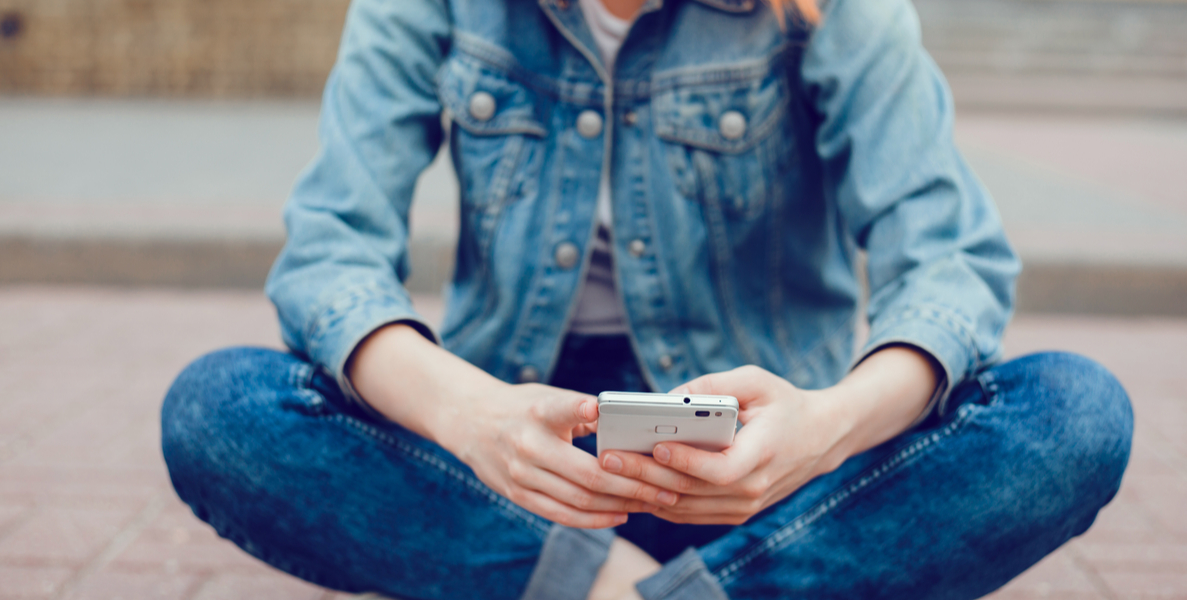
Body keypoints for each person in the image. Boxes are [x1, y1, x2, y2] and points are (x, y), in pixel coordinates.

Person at [160, 0, 1134, 597]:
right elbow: (331, 251)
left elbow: (949, 262)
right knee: (221, 408)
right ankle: (663, 594)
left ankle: (596, 590)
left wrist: (824, 427)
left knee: (1073, 412)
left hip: (757, 470)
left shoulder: (833, 12)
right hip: (520, 466)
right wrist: (468, 414)